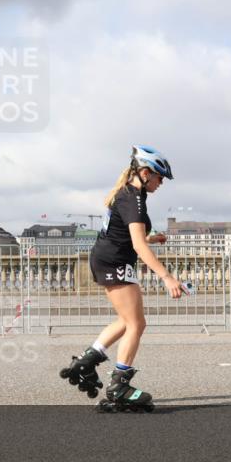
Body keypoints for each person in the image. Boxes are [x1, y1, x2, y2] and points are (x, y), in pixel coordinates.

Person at [59, 145, 187, 412]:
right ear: (144, 172)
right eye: (159, 177)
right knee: (137, 324)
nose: (161, 183)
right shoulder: (134, 199)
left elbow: (126, 234)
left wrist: (152, 238)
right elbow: (138, 246)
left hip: (108, 258)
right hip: (114, 261)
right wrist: (167, 277)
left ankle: (87, 361)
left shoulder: (128, 193)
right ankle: (120, 385)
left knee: (126, 320)